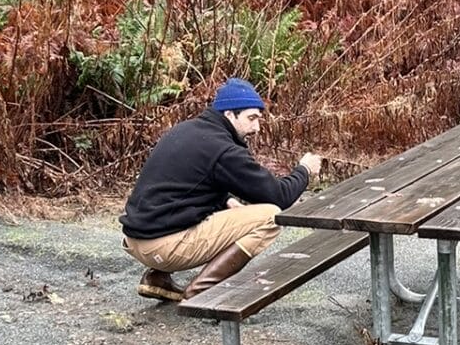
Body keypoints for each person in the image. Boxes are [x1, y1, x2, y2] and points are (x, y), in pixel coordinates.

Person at [121, 78, 323, 304]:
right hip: (161, 246)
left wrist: (225, 200)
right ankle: (200, 293)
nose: (256, 128)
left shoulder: (187, 130)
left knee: (226, 211)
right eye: (251, 118)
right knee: (270, 216)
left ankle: (157, 279)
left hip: (136, 239)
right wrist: (304, 170)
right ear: (229, 114)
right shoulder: (224, 149)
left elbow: (187, 184)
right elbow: (279, 196)